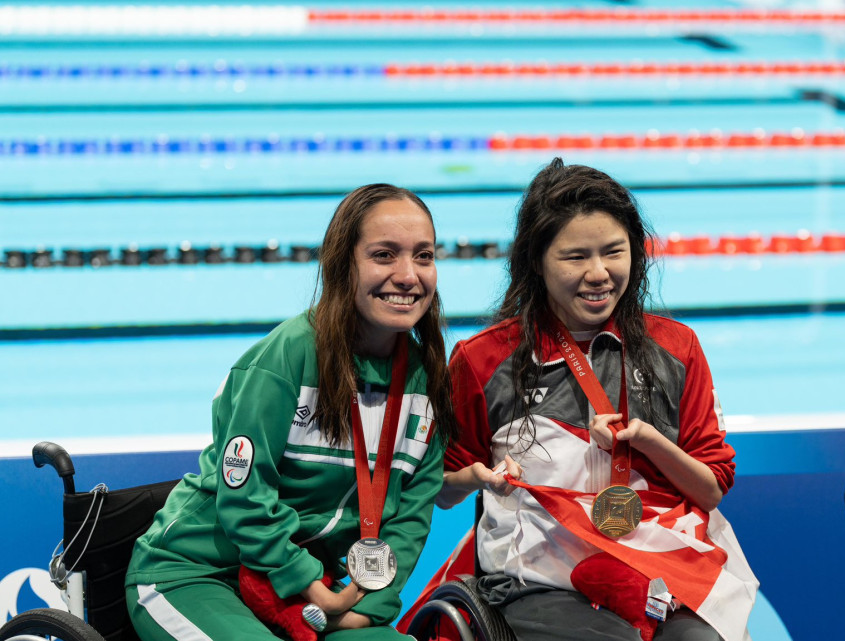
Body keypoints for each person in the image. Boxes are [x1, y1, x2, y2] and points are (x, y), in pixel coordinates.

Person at [437, 158, 757, 641]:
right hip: (536, 580)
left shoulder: (676, 349)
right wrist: (477, 478)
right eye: (574, 257)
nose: (599, 273)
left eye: (613, 252)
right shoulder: (483, 361)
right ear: (536, 260)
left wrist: (649, 443)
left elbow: (710, 488)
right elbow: (440, 490)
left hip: (658, 565)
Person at [125, 184, 456, 641]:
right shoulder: (289, 358)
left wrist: (368, 607)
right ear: (343, 265)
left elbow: (410, 519)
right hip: (198, 573)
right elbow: (244, 493)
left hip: (311, 590)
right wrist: (309, 586)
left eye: (424, 256)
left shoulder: (425, 382)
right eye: (384, 255)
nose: (408, 275)